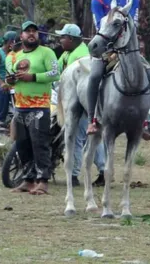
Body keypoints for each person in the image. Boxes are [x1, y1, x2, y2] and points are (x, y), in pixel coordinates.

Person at [86, 0, 150, 140]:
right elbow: (100, 24)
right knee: (94, 77)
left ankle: (144, 120)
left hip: (128, 48)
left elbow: (133, 24)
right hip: (105, 48)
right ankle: (92, 121)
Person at [6, 21, 60, 195]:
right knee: (22, 145)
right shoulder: (16, 56)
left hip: (39, 107)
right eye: (27, 32)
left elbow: (55, 73)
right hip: (20, 106)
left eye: (34, 32)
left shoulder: (46, 52)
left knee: (40, 144)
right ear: (21, 36)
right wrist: (11, 80)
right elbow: (9, 78)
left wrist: (33, 77)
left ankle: (43, 181)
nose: (31, 34)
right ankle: (28, 180)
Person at [55, 23, 106, 187]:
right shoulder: (68, 54)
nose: (60, 40)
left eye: (62, 37)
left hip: (82, 102)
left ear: (70, 38)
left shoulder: (81, 55)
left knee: (78, 136)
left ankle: (75, 175)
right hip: (73, 98)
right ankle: (103, 170)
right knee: (90, 138)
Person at [0, 31, 18, 126]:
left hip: (13, 83)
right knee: (4, 91)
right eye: (16, 41)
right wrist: (2, 83)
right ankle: (0, 119)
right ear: (10, 42)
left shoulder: (15, 54)